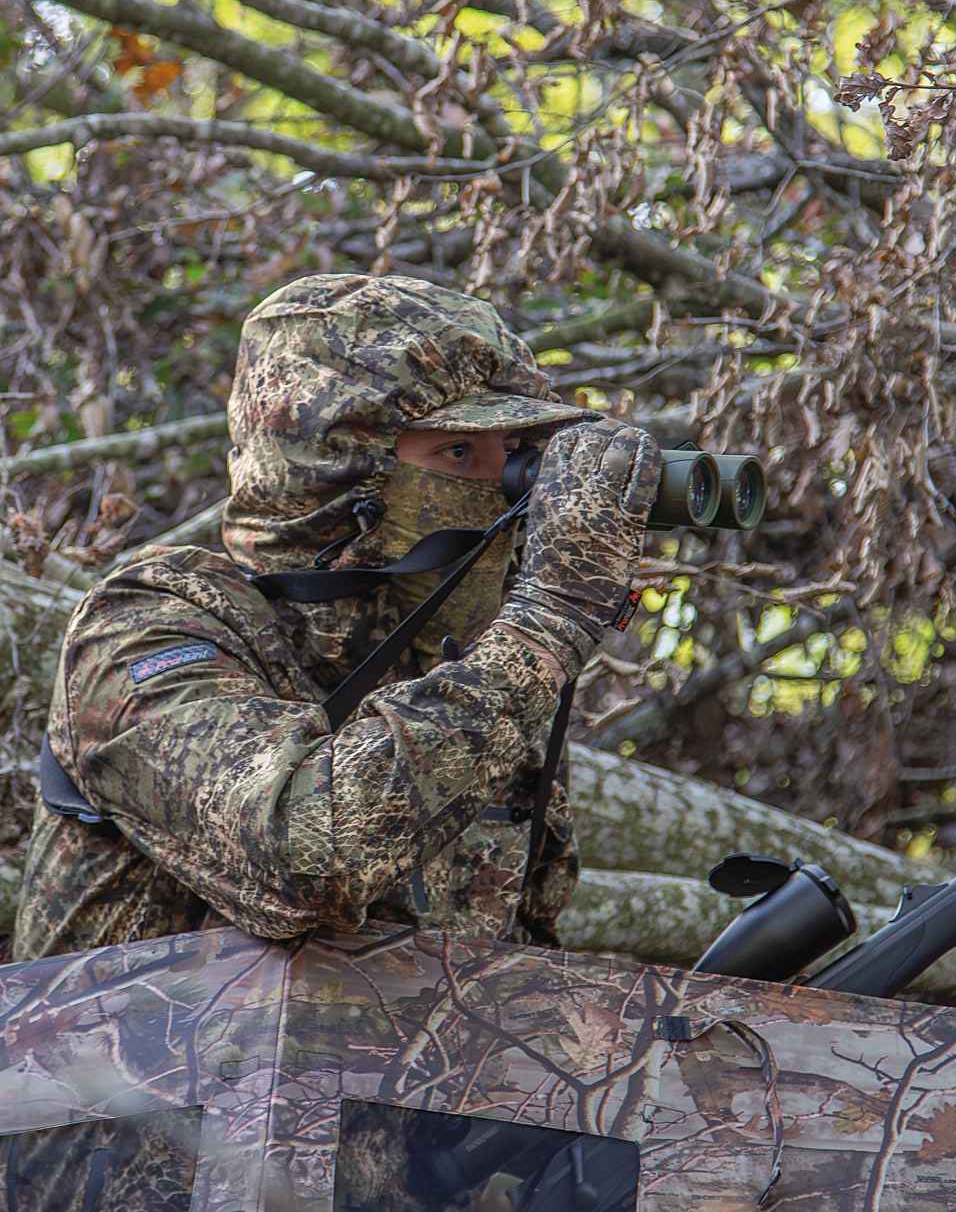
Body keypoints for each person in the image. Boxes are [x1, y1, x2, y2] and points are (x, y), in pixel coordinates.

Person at [10, 273, 659, 1212]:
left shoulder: (457, 679)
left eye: (520, 455)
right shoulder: (148, 629)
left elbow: (498, 991)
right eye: (463, 453)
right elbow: (309, 853)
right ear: (337, 475)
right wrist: (548, 619)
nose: (505, 486)